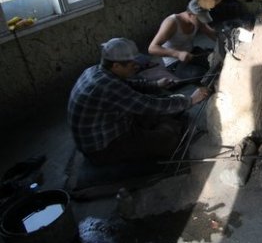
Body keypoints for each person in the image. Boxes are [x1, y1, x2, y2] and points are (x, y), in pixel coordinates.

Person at [68, 37, 210, 165]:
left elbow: (128, 84)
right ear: (116, 65)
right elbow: (150, 105)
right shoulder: (107, 86)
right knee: (169, 139)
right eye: (132, 65)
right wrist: (191, 100)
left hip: (110, 125)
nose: (137, 67)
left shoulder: (96, 71)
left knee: (167, 108)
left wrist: (156, 85)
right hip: (103, 147)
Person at [148, 0, 217, 79]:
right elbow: (152, 48)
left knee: (216, 64)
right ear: (190, 14)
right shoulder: (171, 22)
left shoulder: (198, 21)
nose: (202, 22)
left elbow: (212, 34)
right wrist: (177, 54)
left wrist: (225, 42)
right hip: (175, 62)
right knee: (201, 74)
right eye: (200, 19)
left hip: (192, 53)